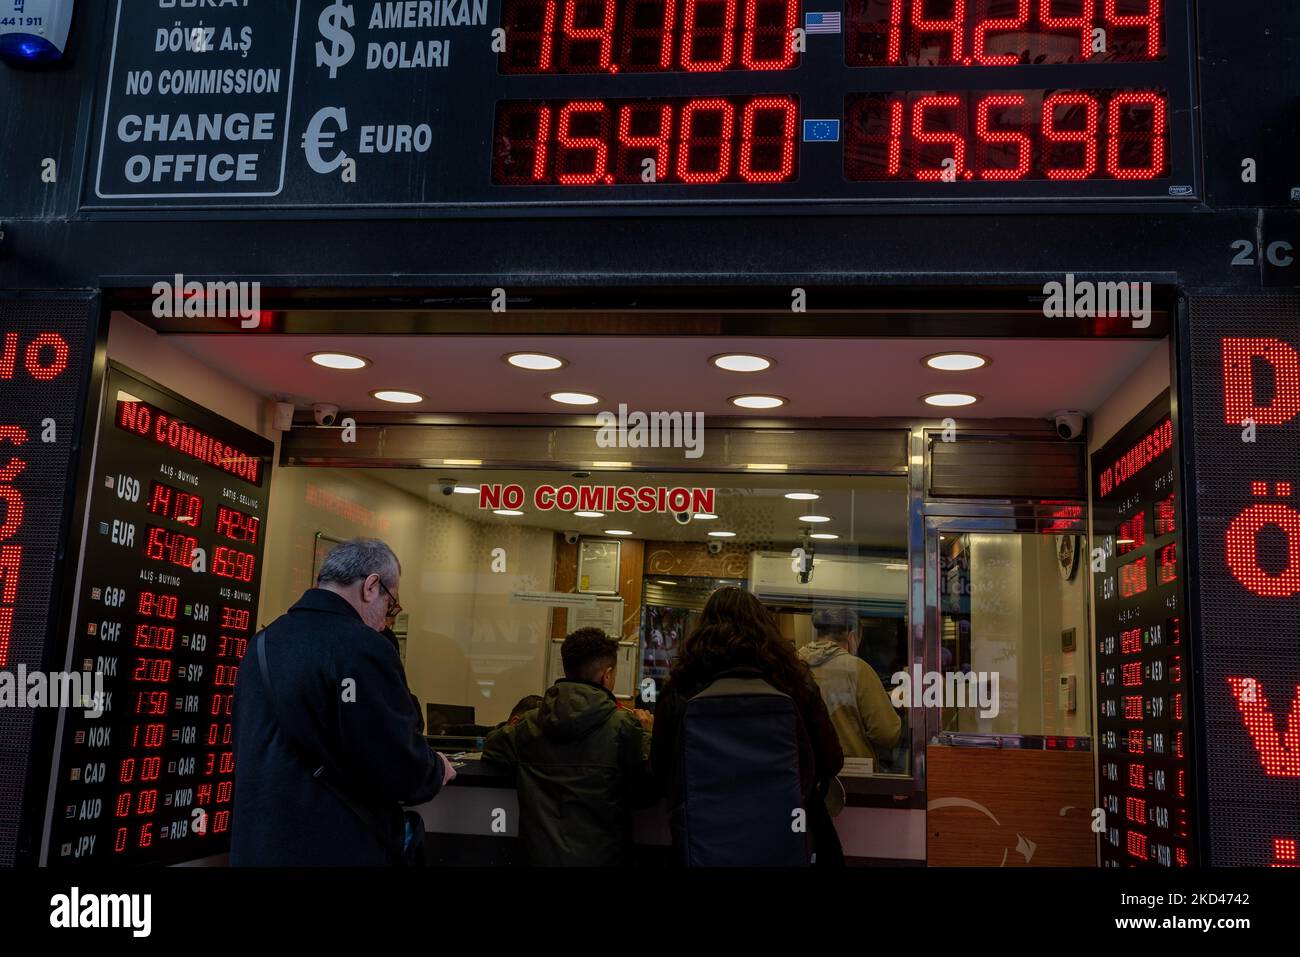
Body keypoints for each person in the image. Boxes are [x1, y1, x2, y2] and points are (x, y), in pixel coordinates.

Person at [232, 538, 455, 866]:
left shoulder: (263, 643)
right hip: (332, 847)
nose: (385, 622)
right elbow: (394, 760)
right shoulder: (363, 647)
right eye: (390, 606)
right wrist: (435, 769)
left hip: (256, 847)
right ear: (371, 586)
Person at [651, 587, 844, 866]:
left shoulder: (681, 688)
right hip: (784, 836)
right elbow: (830, 761)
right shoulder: (795, 683)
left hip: (705, 841)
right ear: (765, 629)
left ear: (702, 629)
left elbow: (659, 774)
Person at [481, 627, 654, 866]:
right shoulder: (624, 726)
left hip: (537, 858)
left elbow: (491, 748)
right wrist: (646, 733)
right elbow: (646, 793)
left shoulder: (528, 724)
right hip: (603, 858)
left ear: (566, 668)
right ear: (607, 675)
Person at [799, 606, 902, 765]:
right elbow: (887, 734)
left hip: (803, 771)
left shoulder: (792, 663)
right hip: (851, 773)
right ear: (852, 638)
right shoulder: (856, 669)